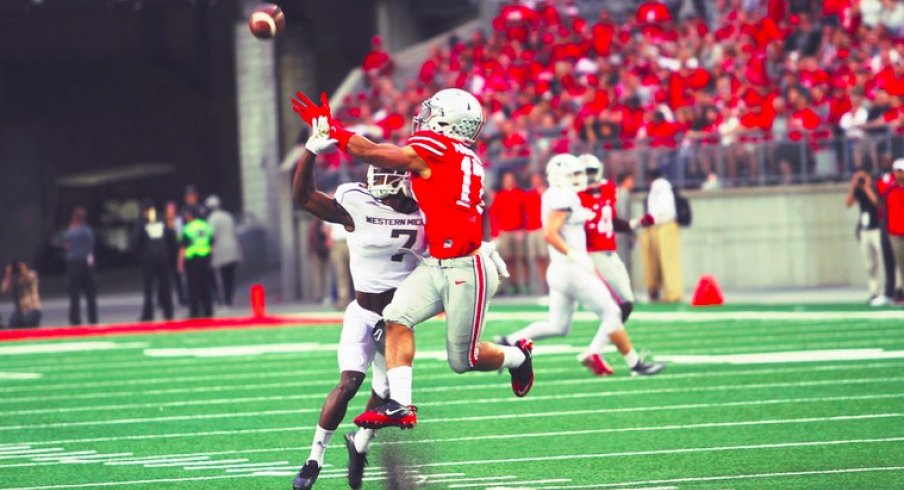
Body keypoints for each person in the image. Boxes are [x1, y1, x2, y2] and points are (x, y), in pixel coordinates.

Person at [292, 88, 533, 432]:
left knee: (464, 361)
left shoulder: (439, 148)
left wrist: (332, 129)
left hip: (465, 267)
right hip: (437, 262)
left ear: (449, 121)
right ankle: (400, 405)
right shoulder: (466, 158)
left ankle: (518, 356)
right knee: (396, 316)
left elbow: (375, 153)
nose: (425, 116)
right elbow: (480, 204)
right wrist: (485, 239)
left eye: (433, 111)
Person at [291, 116, 428, 490]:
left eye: (388, 173)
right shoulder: (357, 203)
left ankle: (360, 444)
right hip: (364, 311)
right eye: (377, 172)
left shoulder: (426, 213)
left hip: (399, 319)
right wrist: (310, 152)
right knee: (349, 383)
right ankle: (314, 458)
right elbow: (303, 198)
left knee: (385, 396)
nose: (380, 179)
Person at [497, 154, 664, 377]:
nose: (579, 177)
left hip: (561, 269)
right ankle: (635, 364)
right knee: (612, 311)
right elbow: (549, 233)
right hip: (570, 269)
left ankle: (508, 341)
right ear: (559, 176)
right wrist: (573, 254)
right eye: (573, 173)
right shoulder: (562, 195)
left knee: (558, 326)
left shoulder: (559, 194)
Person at [640, 169, 683, 302]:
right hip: (660, 225)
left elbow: (664, 211)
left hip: (664, 225)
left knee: (668, 261)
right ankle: (665, 291)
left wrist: (652, 220)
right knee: (661, 261)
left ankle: (673, 293)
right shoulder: (662, 187)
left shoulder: (661, 186)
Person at [845, 171, 888, 305]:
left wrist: (867, 187)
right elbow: (848, 203)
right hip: (865, 230)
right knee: (869, 264)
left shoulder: (875, 187)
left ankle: (886, 291)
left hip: (877, 228)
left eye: (862, 177)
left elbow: (877, 203)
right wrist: (852, 187)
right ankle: (874, 291)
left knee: (883, 261)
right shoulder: (857, 191)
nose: (860, 180)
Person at [132, 201, 177, 321]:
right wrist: (171, 256)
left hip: (149, 260)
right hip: (163, 259)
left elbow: (135, 241)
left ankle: (148, 315)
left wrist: (139, 255)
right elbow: (171, 238)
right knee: (166, 288)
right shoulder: (162, 221)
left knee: (148, 289)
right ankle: (168, 313)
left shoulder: (142, 223)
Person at [492, 171, 527, 294]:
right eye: (507, 179)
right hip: (505, 232)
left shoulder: (520, 194)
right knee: (509, 259)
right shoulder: (500, 195)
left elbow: (525, 212)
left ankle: (526, 283)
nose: (509, 181)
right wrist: (496, 233)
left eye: (511, 179)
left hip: (518, 231)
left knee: (522, 258)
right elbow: (494, 214)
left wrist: (524, 228)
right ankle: (513, 284)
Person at [205, 195, 243, 308]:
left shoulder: (212, 219)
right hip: (233, 248)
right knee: (230, 277)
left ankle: (223, 300)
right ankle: (229, 299)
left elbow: (210, 236)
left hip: (221, 250)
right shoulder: (227, 216)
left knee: (222, 277)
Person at [64, 207, 98, 325]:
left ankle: (75, 319)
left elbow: (67, 247)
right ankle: (93, 318)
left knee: (74, 295)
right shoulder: (89, 231)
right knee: (91, 294)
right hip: (88, 264)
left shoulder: (71, 232)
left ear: (74, 218)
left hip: (74, 264)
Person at [178, 206, 214, 318]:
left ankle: (195, 312)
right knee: (206, 285)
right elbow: (212, 243)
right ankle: (208, 310)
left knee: (193, 287)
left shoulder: (187, 228)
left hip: (193, 259)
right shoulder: (205, 226)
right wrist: (209, 257)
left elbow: (183, 247)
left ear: (190, 216)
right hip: (205, 258)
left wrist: (180, 263)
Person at [881, 158, 904, 304]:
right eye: (898, 171)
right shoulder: (889, 187)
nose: (900, 174)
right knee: (901, 265)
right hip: (895, 232)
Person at [524, 173, 549, 293]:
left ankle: (549, 280)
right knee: (538, 258)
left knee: (545, 256)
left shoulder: (546, 193)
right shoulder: (529, 194)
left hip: (542, 228)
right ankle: (543, 281)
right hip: (531, 229)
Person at [1, 260, 42, 328]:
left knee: (27, 322)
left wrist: (23, 269)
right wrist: (8, 274)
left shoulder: (31, 275)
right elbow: (3, 290)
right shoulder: (12, 280)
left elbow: (31, 277)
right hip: (19, 311)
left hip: (32, 309)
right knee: (13, 322)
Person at [165, 201, 187, 306]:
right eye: (169, 209)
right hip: (165, 254)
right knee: (165, 279)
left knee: (179, 277)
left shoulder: (179, 221)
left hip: (177, 252)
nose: (171, 211)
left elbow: (181, 238)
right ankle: (164, 300)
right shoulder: (163, 222)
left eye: (173, 209)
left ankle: (183, 298)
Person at [326, 221, 352, 309]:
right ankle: (343, 299)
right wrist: (329, 242)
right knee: (341, 273)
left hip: (352, 241)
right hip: (337, 243)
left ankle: (360, 299)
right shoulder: (331, 208)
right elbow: (327, 228)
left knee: (357, 270)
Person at [615, 172, 636, 269]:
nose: (633, 183)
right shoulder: (623, 194)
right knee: (623, 261)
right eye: (630, 180)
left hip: (620, 232)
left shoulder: (619, 193)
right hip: (621, 233)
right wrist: (632, 231)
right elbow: (623, 215)